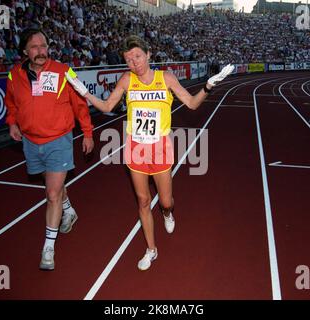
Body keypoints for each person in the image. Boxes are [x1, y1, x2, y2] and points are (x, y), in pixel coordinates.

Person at [66, 35, 233, 271]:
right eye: (128, 59)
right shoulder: (126, 80)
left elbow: (193, 104)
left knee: (165, 201)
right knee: (143, 201)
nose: (134, 62)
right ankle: (151, 249)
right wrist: (84, 92)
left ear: (148, 55)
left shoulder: (165, 77)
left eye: (137, 56)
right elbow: (106, 106)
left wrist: (208, 85)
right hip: (135, 149)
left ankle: (167, 213)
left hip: (160, 149)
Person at [4, 28, 94, 271]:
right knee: (53, 185)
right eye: (34, 47)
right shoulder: (14, 76)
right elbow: (10, 102)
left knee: (52, 194)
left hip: (59, 140)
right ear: (25, 51)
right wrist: (12, 122)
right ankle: (69, 210)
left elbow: (80, 103)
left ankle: (48, 248)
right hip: (31, 143)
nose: (41, 51)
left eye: (44, 46)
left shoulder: (64, 71)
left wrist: (87, 132)